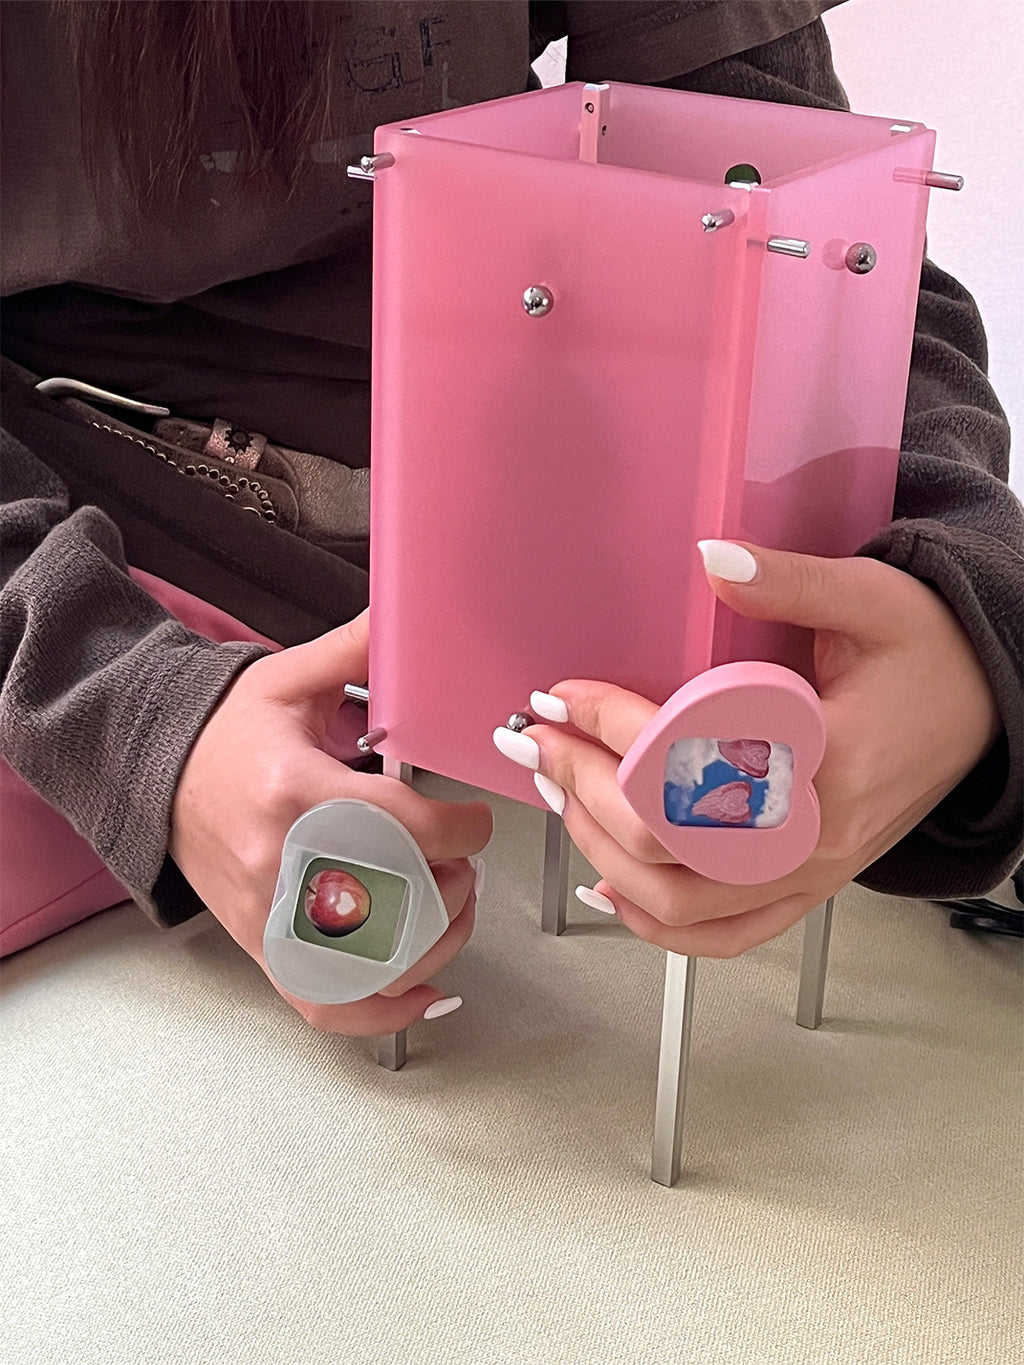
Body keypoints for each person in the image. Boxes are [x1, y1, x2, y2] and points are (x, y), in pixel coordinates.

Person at [2, 2, 1020, 1029]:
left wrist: (960, 606)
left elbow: (829, 239)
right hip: (94, 535)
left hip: (582, 487)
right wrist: (142, 723)